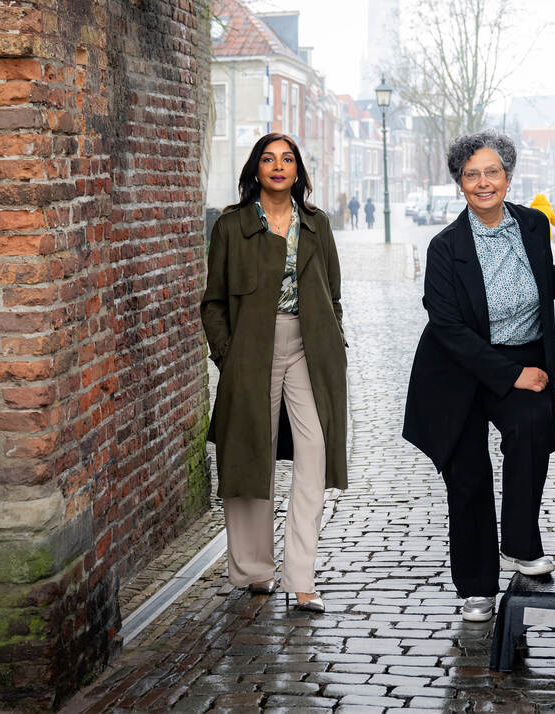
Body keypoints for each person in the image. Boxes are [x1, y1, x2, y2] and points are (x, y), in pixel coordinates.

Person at [403, 129, 555, 622]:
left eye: (492, 172)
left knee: (529, 429)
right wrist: (510, 375)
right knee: (468, 479)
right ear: (460, 183)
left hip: (522, 358)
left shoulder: (531, 226)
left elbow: (550, 280)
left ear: (508, 176)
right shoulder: (445, 247)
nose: (483, 183)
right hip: (456, 372)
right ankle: (477, 585)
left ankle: (521, 543)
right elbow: (448, 326)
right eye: (471, 175)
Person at [200, 132, 349, 614]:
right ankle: (255, 570)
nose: (279, 166)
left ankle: (301, 577)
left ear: (299, 171)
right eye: (269, 159)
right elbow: (214, 303)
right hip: (251, 351)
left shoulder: (317, 225)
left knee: (314, 454)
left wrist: (333, 339)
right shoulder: (231, 227)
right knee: (249, 455)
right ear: (256, 170)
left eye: (288, 159)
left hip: (309, 348)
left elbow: (334, 294)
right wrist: (228, 355)